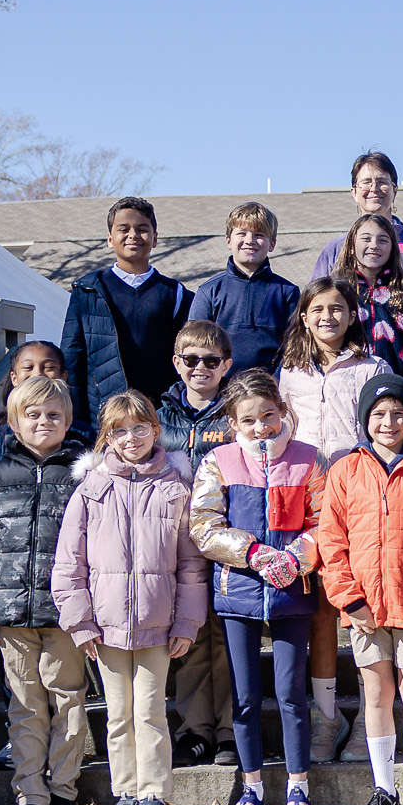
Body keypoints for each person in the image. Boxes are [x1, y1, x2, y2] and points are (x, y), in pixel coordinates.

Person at [50, 391, 207, 805]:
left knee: (151, 712)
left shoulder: (175, 487)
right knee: (117, 715)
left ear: (155, 431)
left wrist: (187, 621)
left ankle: (155, 797)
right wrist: (80, 621)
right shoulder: (91, 490)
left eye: (140, 428)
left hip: (158, 626)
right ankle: (127, 795)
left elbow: (191, 563)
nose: (130, 438)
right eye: (119, 430)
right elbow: (68, 563)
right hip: (105, 627)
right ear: (107, 438)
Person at [0, 375, 91, 805]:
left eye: (53, 414)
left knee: (68, 699)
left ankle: (65, 794)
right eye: (32, 414)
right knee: (26, 703)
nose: (43, 422)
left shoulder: (82, 471)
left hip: (66, 611)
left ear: (68, 421)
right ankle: (30, 796)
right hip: (10, 611)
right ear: (14, 423)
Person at [190, 370, 326, 805]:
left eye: (269, 415)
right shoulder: (218, 462)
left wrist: (297, 556)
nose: (261, 427)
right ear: (233, 422)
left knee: (290, 692)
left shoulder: (309, 460)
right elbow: (204, 526)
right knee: (245, 697)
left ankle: (298, 789)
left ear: (283, 411)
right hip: (239, 590)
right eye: (248, 420)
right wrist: (250, 552)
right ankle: (251, 791)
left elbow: (324, 520)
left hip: (292, 590)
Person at [317, 373, 403, 805]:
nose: (389, 422)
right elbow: (331, 542)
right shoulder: (345, 471)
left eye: (398, 414)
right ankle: (385, 790)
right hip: (364, 611)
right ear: (365, 420)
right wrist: (349, 601)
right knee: (377, 694)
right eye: (379, 414)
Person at [277, 276, 390, 763]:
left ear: (351, 315)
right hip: (307, 497)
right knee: (322, 607)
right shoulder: (289, 373)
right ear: (304, 316)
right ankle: (328, 717)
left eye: (338, 308)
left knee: (364, 601)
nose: (328, 316)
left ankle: (370, 714)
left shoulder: (371, 366)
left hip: (361, 492)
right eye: (318, 308)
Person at [159, 321, 240, 768]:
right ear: (177, 363)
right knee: (188, 637)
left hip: (226, 536)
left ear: (226, 365)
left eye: (211, 361)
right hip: (175, 543)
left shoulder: (235, 412)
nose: (201, 368)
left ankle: (229, 729)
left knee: (226, 637)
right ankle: (195, 729)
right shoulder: (160, 414)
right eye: (191, 360)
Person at [60, 196, 192, 435]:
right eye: (124, 229)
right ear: (110, 239)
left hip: (160, 414)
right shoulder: (88, 290)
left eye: (142, 229)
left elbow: (188, 358)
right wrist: (76, 419)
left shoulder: (176, 294)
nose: (133, 235)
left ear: (154, 239)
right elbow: (72, 358)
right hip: (102, 416)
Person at [189, 202, 299, 374]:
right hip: (220, 390)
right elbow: (195, 346)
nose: (250, 240)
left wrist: (276, 382)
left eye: (259, 234)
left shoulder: (287, 292)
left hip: (270, 388)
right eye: (242, 233)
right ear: (228, 241)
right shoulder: (209, 291)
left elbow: (295, 346)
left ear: (272, 244)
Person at [311, 150, 403, 288]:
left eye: (382, 182)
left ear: (395, 192)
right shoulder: (334, 251)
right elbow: (314, 301)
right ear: (354, 193)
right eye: (366, 182)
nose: (374, 188)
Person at [335, 213, 403, 376]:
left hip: (399, 384)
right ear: (352, 246)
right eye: (366, 239)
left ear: (392, 248)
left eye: (383, 240)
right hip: (349, 385)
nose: (374, 245)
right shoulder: (338, 292)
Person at [0, 341, 66, 472]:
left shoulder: (83, 436)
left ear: (63, 376)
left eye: (48, 367)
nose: (37, 374)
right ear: (14, 378)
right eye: (28, 367)